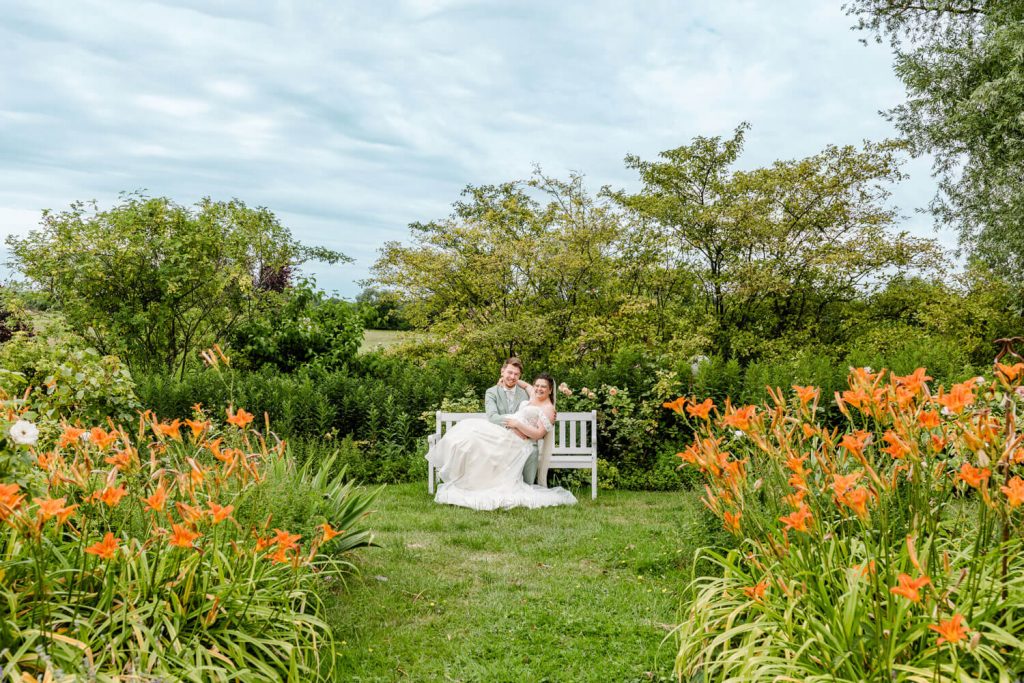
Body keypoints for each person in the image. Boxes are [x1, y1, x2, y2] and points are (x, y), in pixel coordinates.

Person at [426, 372, 577, 510]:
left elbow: (538, 434)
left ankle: (471, 482)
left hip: (518, 443)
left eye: (543, 387)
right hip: (507, 433)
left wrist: (518, 424)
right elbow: (523, 384)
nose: (538, 388)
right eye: (537, 385)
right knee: (469, 431)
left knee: (476, 440)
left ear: (550, 390)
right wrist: (507, 379)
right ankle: (458, 473)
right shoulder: (533, 395)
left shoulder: (549, 409)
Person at [483, 357, 536, 483]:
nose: (512, 377)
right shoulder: (491, 392)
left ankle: (528, 487)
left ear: (520, 376)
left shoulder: (525, 393)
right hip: (499, 435)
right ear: (502, 372)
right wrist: (514, 425)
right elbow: (492, 417)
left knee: (533, 449)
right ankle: (499, 483)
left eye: (516, 374)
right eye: (509, 372)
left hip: (521, 436)